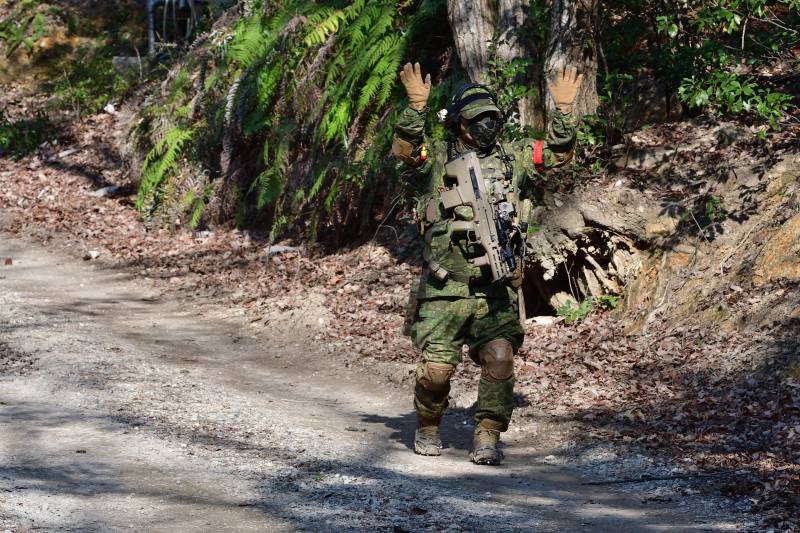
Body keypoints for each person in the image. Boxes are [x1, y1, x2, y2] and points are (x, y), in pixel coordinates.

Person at [393, 62, 581, 464]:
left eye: (492, 117)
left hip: (495, 286)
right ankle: (428, 424)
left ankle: (488, 434)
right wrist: (415, 109)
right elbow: (408, 150)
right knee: (436, 372)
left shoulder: (515, 159)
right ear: (459, 122)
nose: (486, 125)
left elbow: (558, 154)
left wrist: (564, 113)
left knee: (499, 357)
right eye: (477, 119)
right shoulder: (438, 157)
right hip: (445, 288)